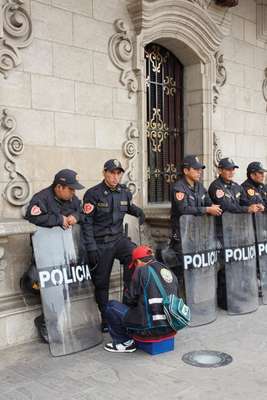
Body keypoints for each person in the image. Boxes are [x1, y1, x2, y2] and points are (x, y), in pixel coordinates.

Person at [81, 159, 145, 332]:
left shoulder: (124, 192)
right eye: (112, 173)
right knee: (101, 283)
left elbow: (127, 207)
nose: (115, 177)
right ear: (104, 173)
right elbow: (86, 223)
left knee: (136, 257)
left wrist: (138, 211)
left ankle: (127, 306)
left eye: (118, 173)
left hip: (118, 239)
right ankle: (106, 318)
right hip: (101, 243)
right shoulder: (93, 194)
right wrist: (91, 247)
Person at [25, 169, 84, 342]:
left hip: (65, 252)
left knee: (64, 291)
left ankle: (48, 321)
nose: (73, 193)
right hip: (46, 253)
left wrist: (74, 216)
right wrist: (59, 220)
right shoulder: (41, 199)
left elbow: (81, 212)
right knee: (53, 291)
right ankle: (46, 324)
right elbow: (32, 218)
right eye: (70, 189)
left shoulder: (72, 199)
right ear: (59, 187)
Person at [104, 245, 178, 353]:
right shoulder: (167, 270)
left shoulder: (141, 270)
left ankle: (124, 342)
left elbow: (130, 300)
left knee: (110, 306)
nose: (134, 267)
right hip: (171, 327)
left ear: (138, 261)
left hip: (149, 329)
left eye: (134, 264)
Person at [170, 155, 222, 277]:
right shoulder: (178, 188)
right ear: (186, 171)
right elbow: (184, 209)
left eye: (200, 169)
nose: (199, 172)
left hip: (199, 235)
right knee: (186, 273)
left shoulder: (200, 187)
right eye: (196, 169)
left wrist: (214, 207)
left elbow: (209, 202)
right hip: (183, 236)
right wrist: (207, 209)